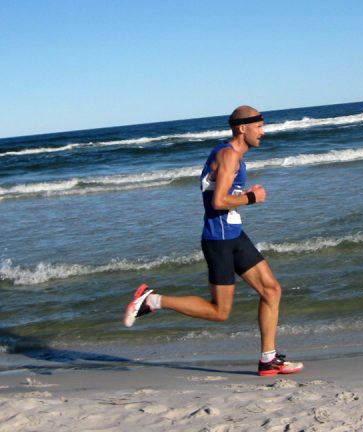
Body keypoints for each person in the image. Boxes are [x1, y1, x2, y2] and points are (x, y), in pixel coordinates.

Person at [123, 106, 303, 376]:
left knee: (272, 290)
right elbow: (218, 202)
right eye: (259, 127)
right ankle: (153, 300)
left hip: (233, 234)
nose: (263, 133)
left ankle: (268, 359)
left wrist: (243, 197)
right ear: (243, 128)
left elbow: (223, 197)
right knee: (220, 311)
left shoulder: (231, 154)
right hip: (218, 240)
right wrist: (252, 198)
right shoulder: (228, 156)